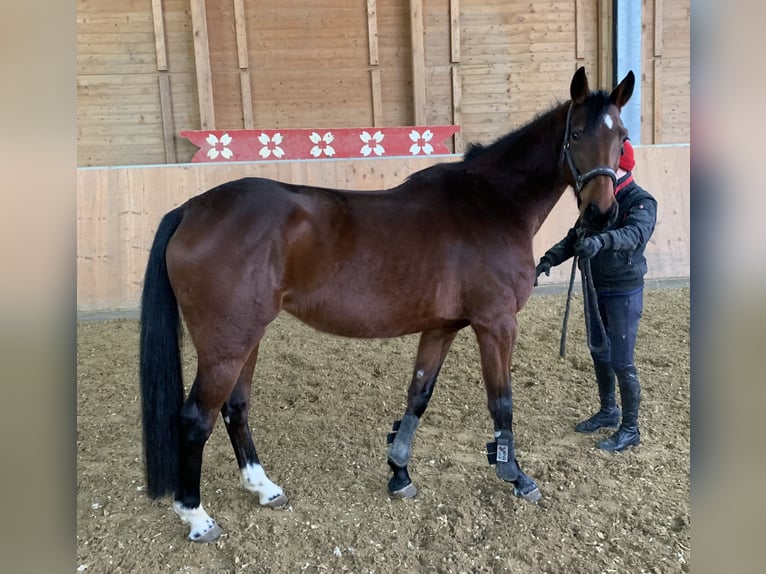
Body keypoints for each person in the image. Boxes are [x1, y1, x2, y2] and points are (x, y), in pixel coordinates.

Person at [535, 140, 657, 452]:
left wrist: (600, 243)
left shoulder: (641, 201)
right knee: (599, 352)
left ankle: (630, 428)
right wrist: (547, 259)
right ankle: (608, 411)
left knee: (621, 360)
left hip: (623, 289)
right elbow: (575, 236)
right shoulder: (597, 201)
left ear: (621, 167)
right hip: (595, 285)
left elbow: (634, 235)